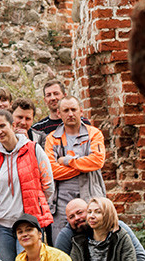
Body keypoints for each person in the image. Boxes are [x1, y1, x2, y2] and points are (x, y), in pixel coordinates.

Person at [0, 108, 54, 261]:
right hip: (1, 225)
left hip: (27, 222)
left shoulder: (34, 149)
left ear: (13, 125)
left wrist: (37, 205)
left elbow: (48, 185)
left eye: (2, 126)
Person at [44, 97, 107, 240]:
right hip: (61, 202)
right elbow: (51, 170)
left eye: (74, 109)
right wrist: (83, 166)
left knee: (96, 239)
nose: (70, 114)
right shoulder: (52, 139)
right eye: (66, 110)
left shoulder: (94, 134)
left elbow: (97, 161)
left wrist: (66, 161)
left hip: (91, 196)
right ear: (59, 114)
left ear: (81, 111)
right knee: (62, 242)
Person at [54, 197, 145, 261]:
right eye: (71, 217)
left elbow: (140, 256)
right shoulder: (69, 236)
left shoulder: (118, 230)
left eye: (80, 213)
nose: (77, 218)